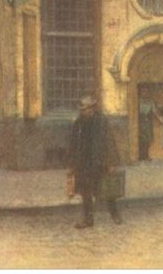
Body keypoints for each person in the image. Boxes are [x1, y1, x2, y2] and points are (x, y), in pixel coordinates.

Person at [68, 95, 122, 229]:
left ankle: (115, 214)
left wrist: (111, 162)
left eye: (84, 109)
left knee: (108, 190)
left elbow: (109, 142)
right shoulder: (78, 123)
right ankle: (88, 220)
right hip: (84, 164)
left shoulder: (101, 121)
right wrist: (72, 164)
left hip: (100, 162)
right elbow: (73, 144)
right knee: (86, 193)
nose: (82, 112)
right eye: (81, 109)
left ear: (92, 109)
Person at [138, 85, 163, 161]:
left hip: (148, 123)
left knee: (148, 139)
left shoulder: (151, 102)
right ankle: (141, 155)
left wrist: (159, 120)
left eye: (146, 91)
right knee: (141, 139)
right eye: (143, 91)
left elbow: (154, 112)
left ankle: (146, 155)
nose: (145, 93)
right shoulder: (138, 101)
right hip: (140, 123)